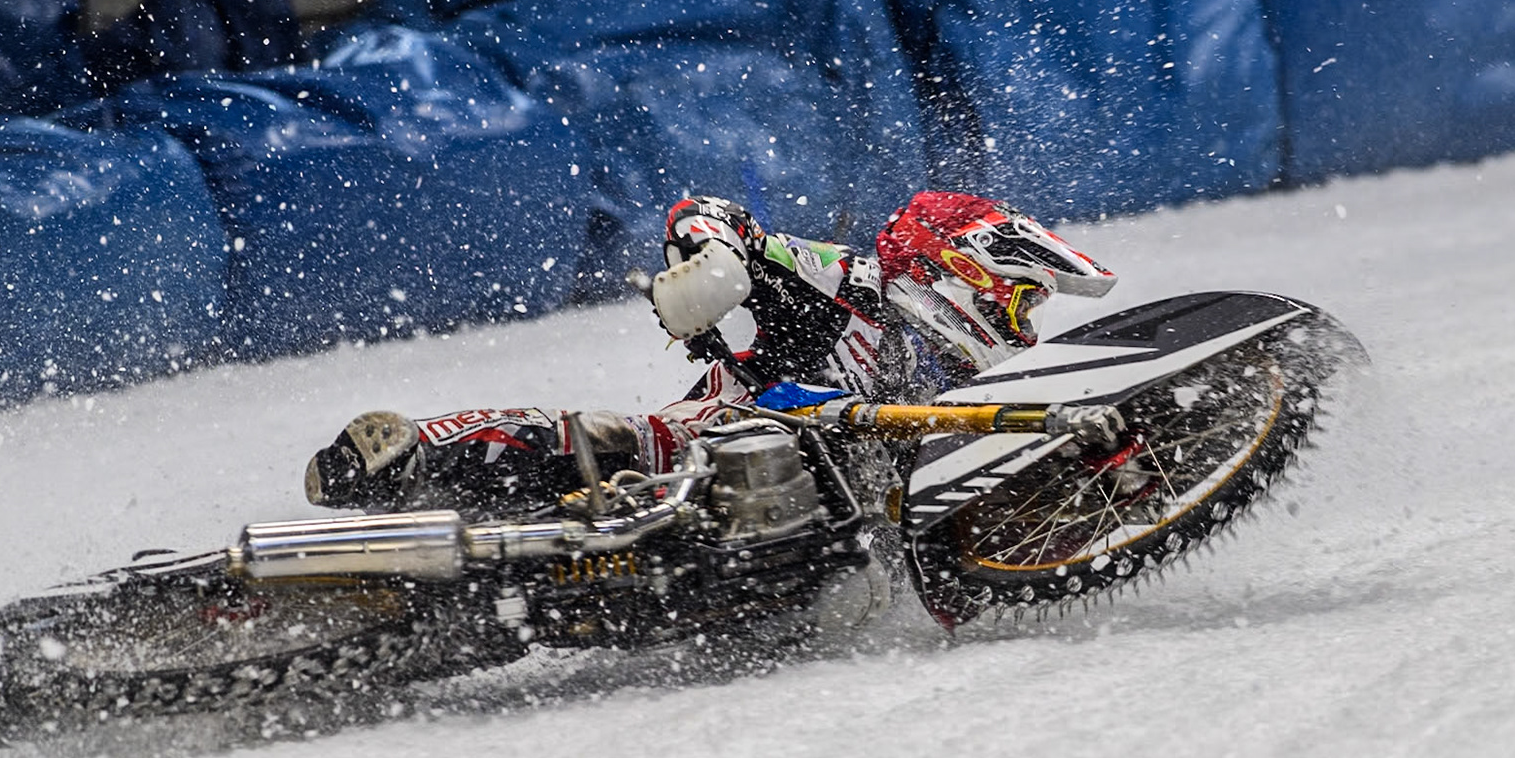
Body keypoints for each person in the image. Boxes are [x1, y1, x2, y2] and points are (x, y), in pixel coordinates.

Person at [305, 190, 1118, 518]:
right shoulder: (860, 286)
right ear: (966, 272)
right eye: (1022, 298)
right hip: (718, 451)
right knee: (599, 437)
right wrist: (713, 264)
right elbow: (713, 210)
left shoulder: (971, 386)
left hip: (824, 532)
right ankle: (405, 454)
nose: (1024, 325)